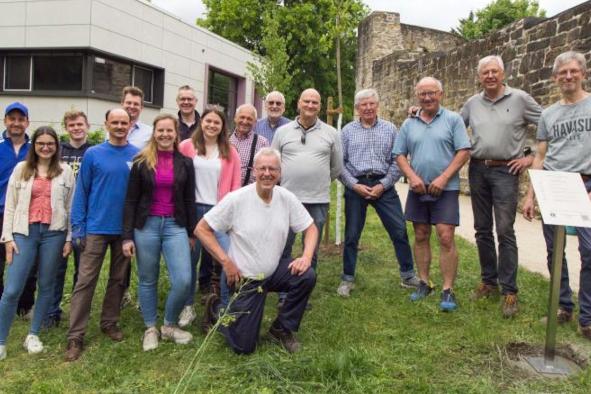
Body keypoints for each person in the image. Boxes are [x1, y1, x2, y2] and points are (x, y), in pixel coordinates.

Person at [198, 147, 318, 354]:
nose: (267, 173)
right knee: (244, 347)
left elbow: (311, 228)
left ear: (280, 173)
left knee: (306, 275)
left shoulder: (286, 198)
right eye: (262, 168)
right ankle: (217, 310)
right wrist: (226, 263)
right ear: (254, 170)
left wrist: (306, 257)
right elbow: (201, 229)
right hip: (246, 279)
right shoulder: (237, 199)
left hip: (273, 271)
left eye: (273, 169)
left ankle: (281, 329)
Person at [461, 55, 542, 318]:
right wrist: (418, 113)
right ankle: (488, 281)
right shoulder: (472, 103)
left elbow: (548, 124)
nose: (490, 76)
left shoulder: (520, 99)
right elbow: (452, 126)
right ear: (480, 76)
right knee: (482, 229)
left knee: (505, 230)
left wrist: (530, 157)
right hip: (478, 169)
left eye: (494, 71)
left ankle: (510, 291)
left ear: (503, 73)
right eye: (485, 72)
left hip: (507, 170)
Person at [523, 51, 591, 340]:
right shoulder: (549, 114)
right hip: (554, 184)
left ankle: (587, 317)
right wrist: (531, 193)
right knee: (555, 250)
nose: (568, 76)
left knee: (589, 251)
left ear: (583, 73)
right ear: (555, 78)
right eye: (562, 72)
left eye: (573, 71)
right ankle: (563, 306)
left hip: (586, 183)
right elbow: (541, 154)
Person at [64, 108, 139, 362]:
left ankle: (109, 321)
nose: (119, 126)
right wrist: (79, 227)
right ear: (106, 124)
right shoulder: (93, 154)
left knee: (118, 279)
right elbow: (81, 192)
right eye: (114, 122)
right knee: (85, 281)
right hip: (95, 228)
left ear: (130, 125)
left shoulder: (137, 156)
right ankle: (75, 335)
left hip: (124, 231)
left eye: (124, 122)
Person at [393, 77, 471, 311]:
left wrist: (444, 177)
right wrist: (412, 177)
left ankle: (448, 290)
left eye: (432, 93)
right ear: (417, 96)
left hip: (445, 188)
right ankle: (424, 282)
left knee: (445, 236)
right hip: (418, 188)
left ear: (441, 94)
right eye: (423, 94)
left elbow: (464, 151)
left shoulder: (453, 120)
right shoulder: (409, 124)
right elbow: (399, 155)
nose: (427, 98)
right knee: (420, 234)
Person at [0, 126, 74, 360]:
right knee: (12, 289)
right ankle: (1, 340)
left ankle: (33, 334)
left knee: (47, 285)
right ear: (34, 146)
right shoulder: (22, 169)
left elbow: (71, 208)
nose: (45, 147)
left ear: (56, 146)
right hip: (24, 233)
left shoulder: (65, 171)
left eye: (50, 143)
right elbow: (10, 206)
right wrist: (8, 238)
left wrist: (69, 238)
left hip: (54, 233)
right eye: (41, 143)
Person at [122, 114, 196, 351]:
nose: (165, 134)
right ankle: (150, 328)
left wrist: (192, 233)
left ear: (176, 134)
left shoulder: (185, 163)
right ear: (154, 133)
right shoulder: (141, 162)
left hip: (175, 226)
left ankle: (169, 324)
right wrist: (127, 236)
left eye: (169, 131)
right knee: (147, 278)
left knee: (184, 279)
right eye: (160, 130)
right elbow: (131, 200)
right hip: (147, 226)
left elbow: (189, 199)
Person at [337, 88, 419, 297]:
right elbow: (339, 164)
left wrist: (383, 184)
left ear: (377, 105)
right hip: (357, 185)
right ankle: (347, 278)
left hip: (385, 186)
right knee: (352, 235)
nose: (368, 108)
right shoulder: (346, 131)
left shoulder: (390, 129)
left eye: (371, 103)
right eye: (363, 104)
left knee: (399, 230)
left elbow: (398, 159)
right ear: (357, 108)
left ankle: (408, 275)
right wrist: (354, 185)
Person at [178, 106, 241, 327]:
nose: (212, 125)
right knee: (189, 261)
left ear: (223, 126)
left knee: (228, 258)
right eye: (208, 121)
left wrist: (228, 214)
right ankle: (187, 306)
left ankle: (225, 306)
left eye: (217, 122)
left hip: (219, 212)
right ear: (201, 122)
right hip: (192, 210)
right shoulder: (186, 147)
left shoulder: (230, 152)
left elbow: (235, 186)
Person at [272, 88, 342, 285]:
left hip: (318, 200)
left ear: (319, 107)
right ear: (299, 104)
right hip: (287, 199)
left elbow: (337, 167)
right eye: (307, 101)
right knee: (284, 245)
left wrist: (318, 181)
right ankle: (283, 289)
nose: (310, 105)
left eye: (315, 102)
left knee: (311, 248)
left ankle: (303, 288)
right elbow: (273, 163)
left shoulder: (331, 133)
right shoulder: (282, 132)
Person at [44, 110, 93, 328]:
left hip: (85, 217)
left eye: (80, 124)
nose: (76, 128)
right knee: (56, 268)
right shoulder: (58, 151)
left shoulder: (93, 151)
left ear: (87, 126)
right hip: (59, 216)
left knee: (82, 269)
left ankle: (78, 309)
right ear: (66, 127)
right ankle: (52, 311)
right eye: (72, 125)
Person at [0, 102, 36, 318]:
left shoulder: (35, 149)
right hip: (0, 211)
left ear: (27, 122)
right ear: (5, 121)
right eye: (12, 118)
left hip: (27, 212)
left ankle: (26, 304)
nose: (16, 123)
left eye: (20, 119)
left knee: (28, 260)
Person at [229, 104, 269, 186]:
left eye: (249, 119)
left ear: (255, 122)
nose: (245, 121)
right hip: (226, 193)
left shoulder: (262, 143)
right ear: (235, 118)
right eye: (242, 117)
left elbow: (266, 171)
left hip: (250, 193)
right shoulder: (225, 140)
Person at [121, 86, 152, 150]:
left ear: (141, 107)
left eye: (136, 104)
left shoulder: (150, 133)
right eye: (128, 103)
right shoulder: (112, 131)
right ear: (122, 104)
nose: (132, 106)